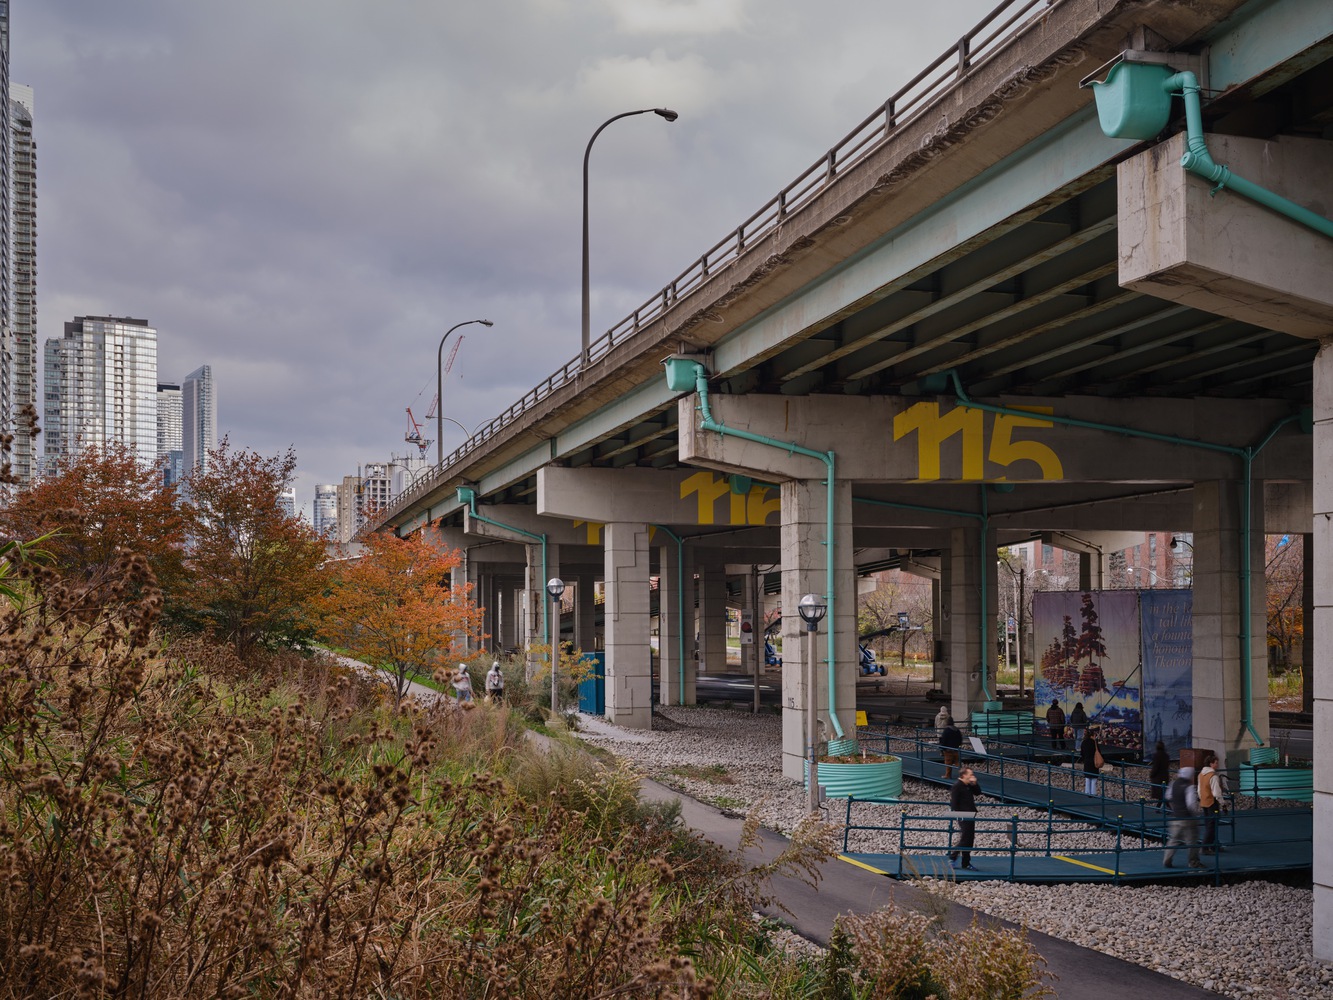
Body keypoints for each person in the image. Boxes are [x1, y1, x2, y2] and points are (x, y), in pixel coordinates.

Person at [1163, 766, 1205, 869]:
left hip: (1176, 817)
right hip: (1188, 819)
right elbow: (1191, 804)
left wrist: (1175, 808)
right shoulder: (1189, 787)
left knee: (1173, 840)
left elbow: (1168, 797)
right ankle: (1193, 861)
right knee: (1192, 841)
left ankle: (1167, 860)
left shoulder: (1173, 784)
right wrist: (1196, 815)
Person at [948, 767, 981, 871]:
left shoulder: (968, 785)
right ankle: (952, 857)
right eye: (970, 774)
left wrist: (975, 784)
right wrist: (959, 815)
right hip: (963, 815)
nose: (972, 776)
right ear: (964, 775)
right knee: (965, 837)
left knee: (970, 839)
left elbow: (978, 792)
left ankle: (966, 862)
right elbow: (954, 802)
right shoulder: (957, 786)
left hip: (971, 814)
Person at [1198, 751, 1225, 854]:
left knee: (1208, 825)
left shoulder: (1201, 774)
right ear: (1211, 764)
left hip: (1204, 802)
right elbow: (1216, 792)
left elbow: (1199, 790)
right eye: (1216, 763)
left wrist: (1202, 798)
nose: (1217, 765)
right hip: (1212, 803)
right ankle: (1205, 847)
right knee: (1212, 826)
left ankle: (1213, 845)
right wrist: (1223, 803)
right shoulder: (1213, 776)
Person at [939, 715, 963, 780]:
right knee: (957, 762)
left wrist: (942, 748)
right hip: (956, 749)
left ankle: (948, 775)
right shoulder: (957, 730)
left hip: (948, 750)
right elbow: (960, 739)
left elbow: (944, 740)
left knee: (948, 763)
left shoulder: (946, 730)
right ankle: (963, 774)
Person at [1148, 741, 1170, 806]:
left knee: (1161, 793)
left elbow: (1155, 767)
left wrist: (1152, 775)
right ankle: (1159, 806)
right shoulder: (1166, 755)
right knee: (1163, 792)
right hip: (1165, 776)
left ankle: (1168, 807)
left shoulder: (1156, 755)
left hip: (1158, 777)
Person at [1080, 728, 1101, 796]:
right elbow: (1099, 752)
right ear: (1092, 735)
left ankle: (1087, 792)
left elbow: (1082, 753)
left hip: (1087, 761)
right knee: (1094, 778)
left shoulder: (1084, 742)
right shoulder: (1094, 743)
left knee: (1087, 778)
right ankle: (1093, 793)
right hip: (1094, 761)